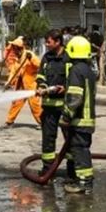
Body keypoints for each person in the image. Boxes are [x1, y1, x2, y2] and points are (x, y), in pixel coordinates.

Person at [62, 35, 97, 194]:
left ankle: (84, 182)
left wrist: (66, 115)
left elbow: (75, 97)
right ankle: (79, 178)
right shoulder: (88, 70)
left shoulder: (76, 70)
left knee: (80, 150)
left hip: (80, 119)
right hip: (87, 119)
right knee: (79, 149)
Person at [36, 29, 69, 176]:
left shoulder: (68, 58)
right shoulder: (46, 58)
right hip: (49, 108)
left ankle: (72, 169)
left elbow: (74, 79)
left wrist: (65, 88)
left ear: (58, 42)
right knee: (48, 139)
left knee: (69, 139)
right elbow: (41, 76)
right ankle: (48, 170)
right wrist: (41, 86)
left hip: (65, 108)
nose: (46, 44)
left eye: (48, 42)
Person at [4, 37, 42, 127]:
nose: (13, 50)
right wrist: (8, 82)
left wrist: (31, 58)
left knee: (35, 105)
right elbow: (13, 72)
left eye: (14, 48)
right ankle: (9, 121)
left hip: (31, 85)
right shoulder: (17, 59)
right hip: (21, 85)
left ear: (19, 48)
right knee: (16, 102)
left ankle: (42, 122)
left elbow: (39, 64)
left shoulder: (29, 55)